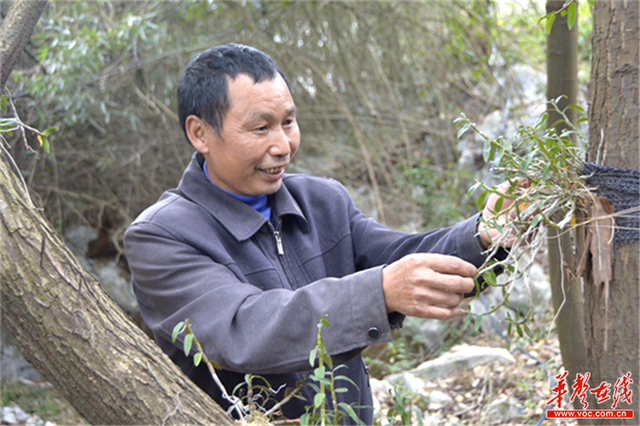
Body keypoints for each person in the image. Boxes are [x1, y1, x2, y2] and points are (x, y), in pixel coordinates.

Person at [124, 43, 514, 424]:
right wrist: (380, 291)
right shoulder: (161, 236)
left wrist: (484, 235)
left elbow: (402, 257)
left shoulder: (321, 200)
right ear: (200, 133)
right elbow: (244, 329)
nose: (283, 146)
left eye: (288, 123)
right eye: (261, 128)